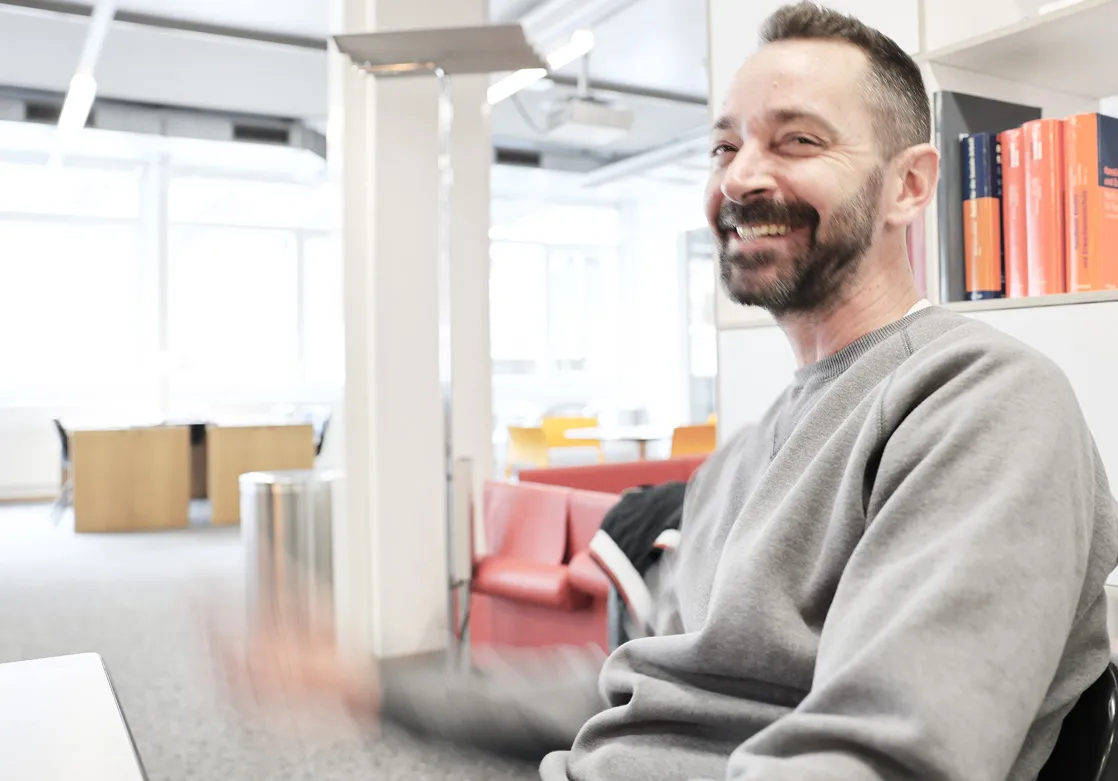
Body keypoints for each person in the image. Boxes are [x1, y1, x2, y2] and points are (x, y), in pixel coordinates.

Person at [224, 3, 1118, 779]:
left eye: (797, 140)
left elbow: (885, 758)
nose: (739, 176)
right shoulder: (742, 457)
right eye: (725, 145)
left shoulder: (984, 403)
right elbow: (639, 685)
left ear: (909, 185)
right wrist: (381, 687)